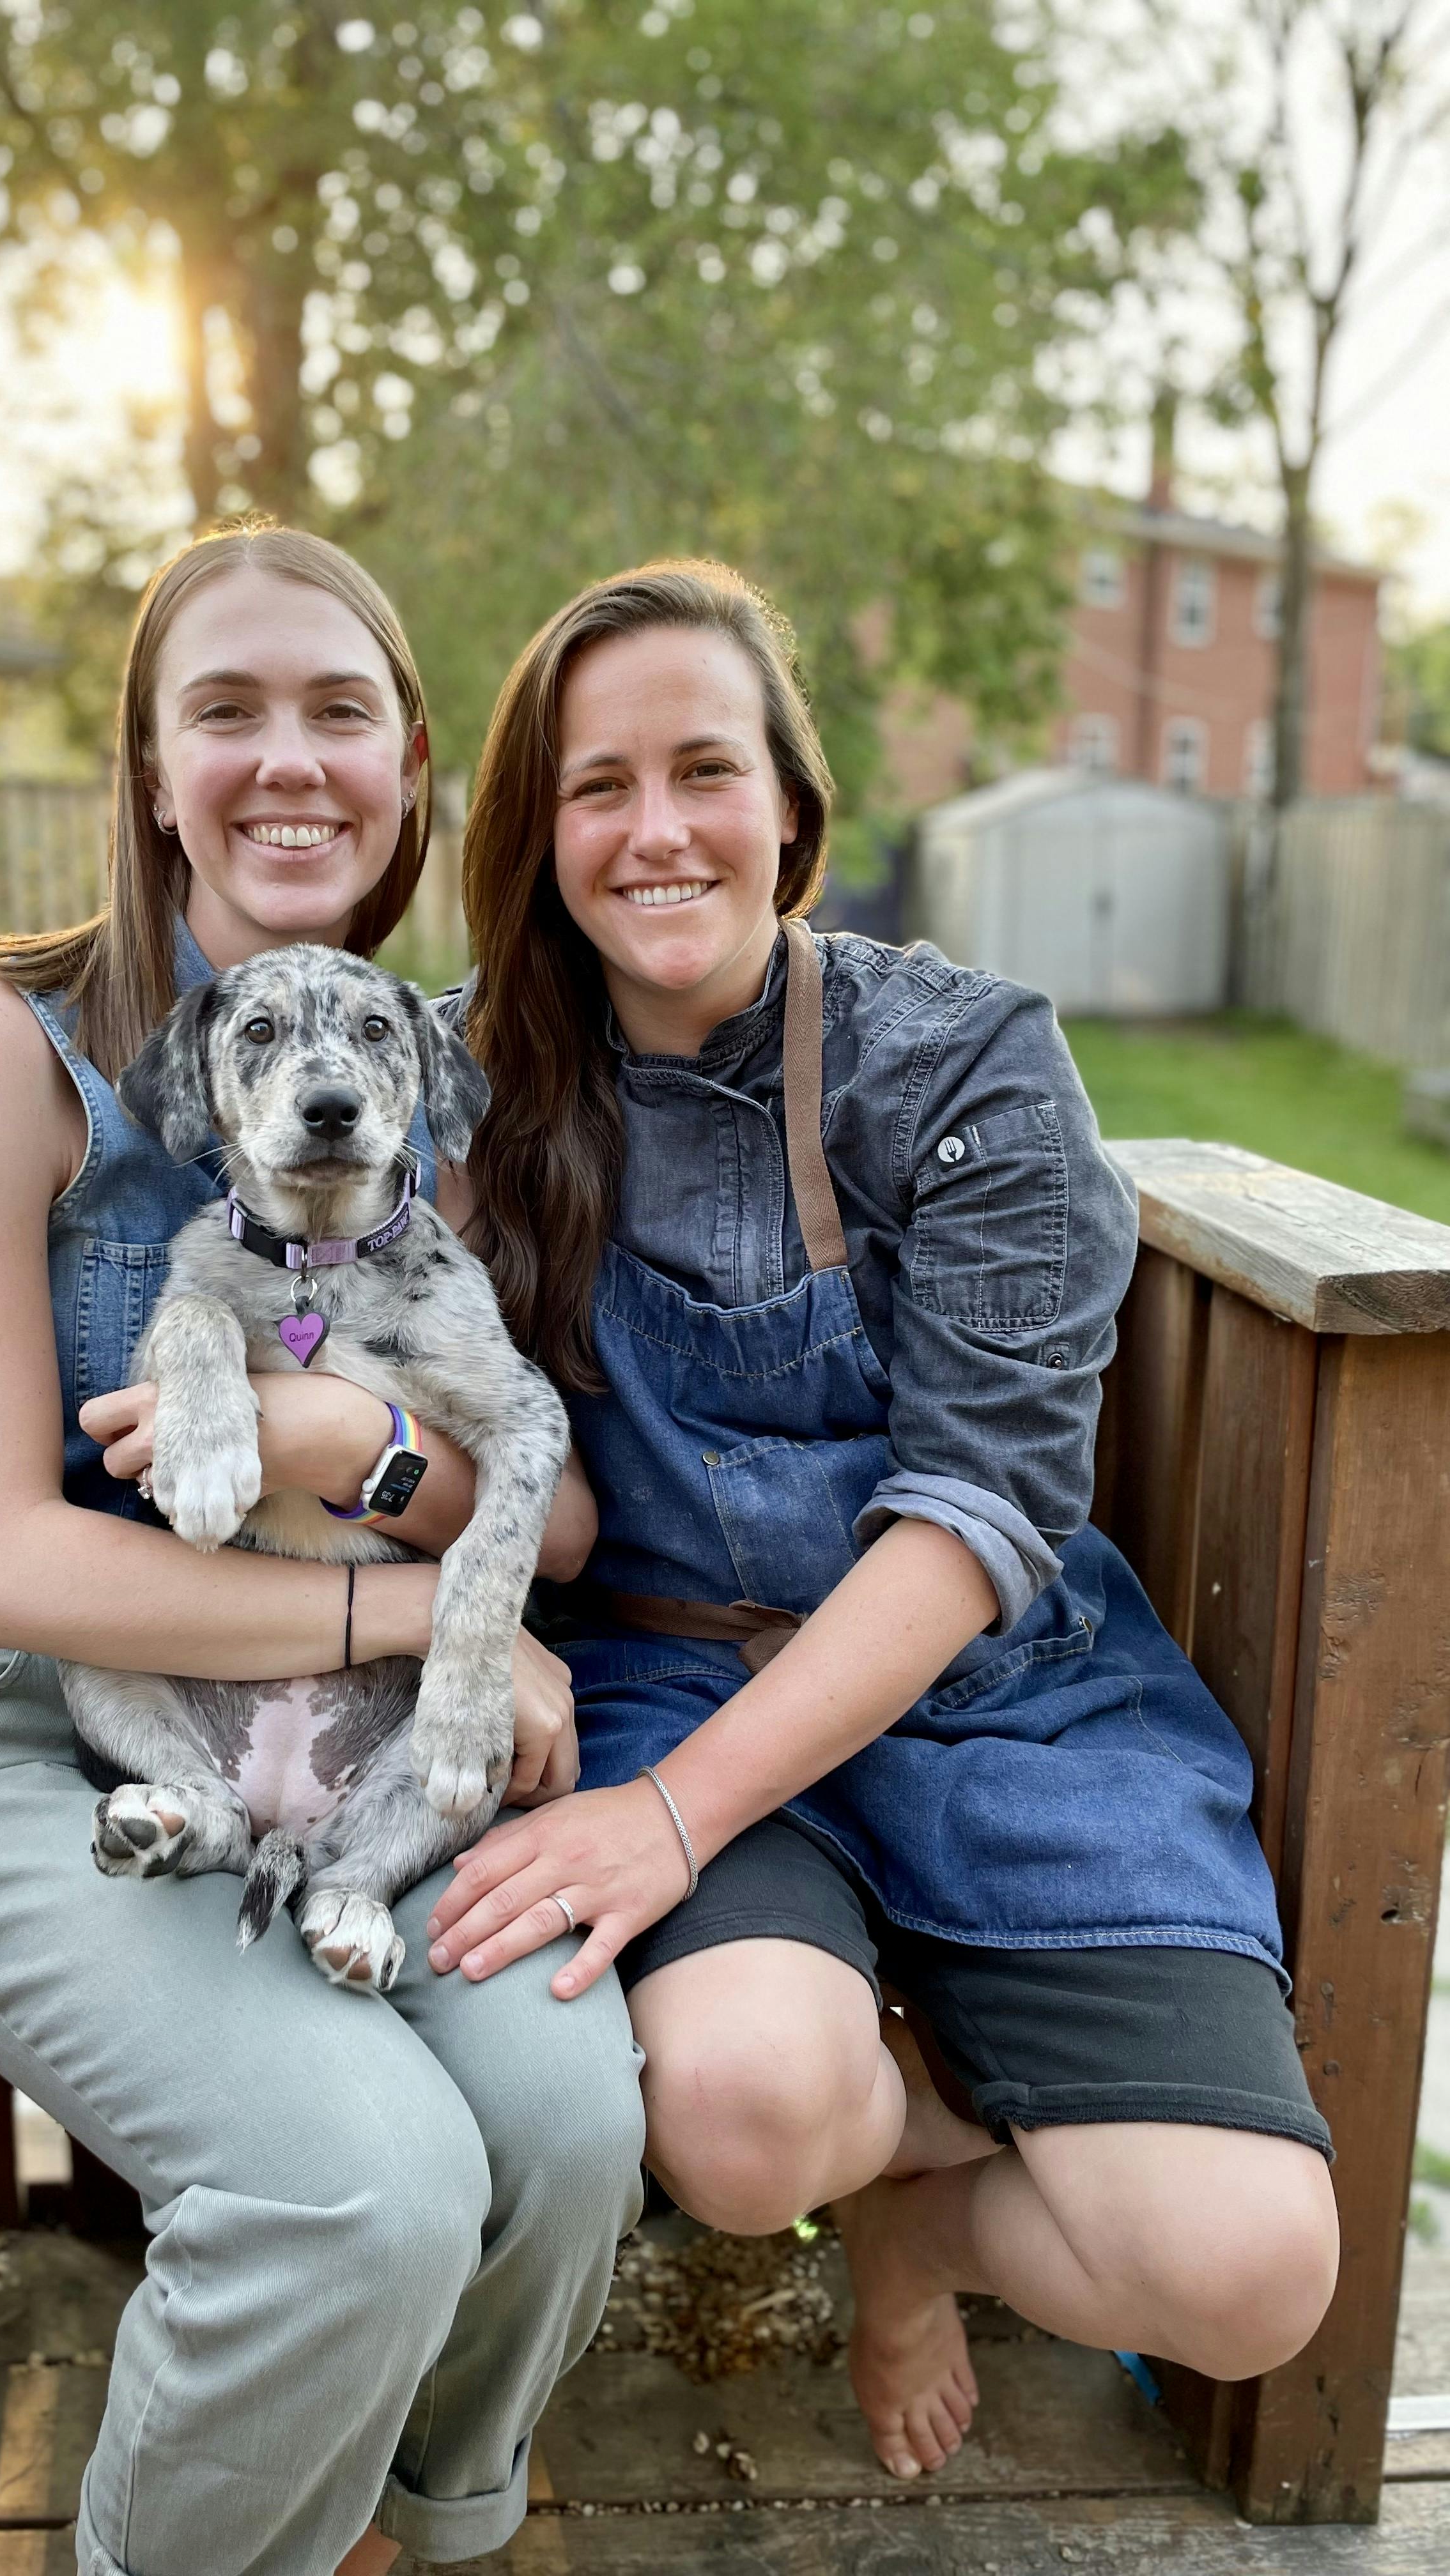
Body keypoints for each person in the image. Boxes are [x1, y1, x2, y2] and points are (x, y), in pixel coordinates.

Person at [420, 559, 1339, 2485]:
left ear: (792, 811)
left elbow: (981, 1513)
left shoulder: (966, 1064)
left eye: (704, 770)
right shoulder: (465, 1085)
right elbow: (384, 1362)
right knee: (748, 2128)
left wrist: (673, 1825)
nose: (657, 829)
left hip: (1001, 1693)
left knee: (1254, 2274)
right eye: (600, 786)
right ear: (537, 831)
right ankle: (889, 2157)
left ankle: (931, 2222)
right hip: (664, 1673)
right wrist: (459, 1579)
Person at [0, 525, 645, 2576]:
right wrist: (420, 1604)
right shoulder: (5, 1046)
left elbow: (542, 1506)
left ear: (407, 762)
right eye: (226, 713)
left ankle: (395, 2527)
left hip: (375, 1724)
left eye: (337, 713)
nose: (287, 764)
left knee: (565, 2132)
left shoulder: (406, 1060)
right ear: (145, 768)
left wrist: (368, 1456)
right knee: (356, 2188)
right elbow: (3, 1567)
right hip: (44, 1731)